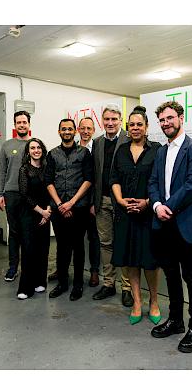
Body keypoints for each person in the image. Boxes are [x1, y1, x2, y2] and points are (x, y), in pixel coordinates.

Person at [148, 100, 192, 353]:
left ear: (181, 118)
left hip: (185, 222)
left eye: (170, 118)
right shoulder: (161, 151)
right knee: (171, 274)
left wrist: (167, 207)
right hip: (164, 223)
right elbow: (152, 182)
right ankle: (175, 321)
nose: (166, 123)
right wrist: (156, 206)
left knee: (191, 276)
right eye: (162, 120)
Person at [111, 107, 161, 324]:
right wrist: (121, 201)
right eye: (131, 124)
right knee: (131, 260)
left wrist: (147, 203)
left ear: (147, 126)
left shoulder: (157, 150)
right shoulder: (121, 150)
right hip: (126, 215)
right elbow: (113, 180)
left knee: (149, 261)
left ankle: (154, 301)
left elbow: (162, 183)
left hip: (148, 214)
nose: (135, 128)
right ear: (127, 127)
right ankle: (138, 302)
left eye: (139, 124)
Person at [48, 116, 100, 287]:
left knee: (78, 246)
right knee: (62, 246)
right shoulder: (52, 154)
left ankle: (77, 284)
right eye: (64, 129)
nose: (67, 132)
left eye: (70, 129)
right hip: (58, 207)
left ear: (74, 131)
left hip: (79, 207)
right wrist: (60, 204)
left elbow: (88, 179)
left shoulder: (84, 153)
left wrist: (71, 202)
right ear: (59, 131)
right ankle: (62, 283)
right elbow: (48, 181)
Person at [91, 104, 133, 307]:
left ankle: (127, 287)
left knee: (123, 243)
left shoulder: (129, 138)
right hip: (102, 201)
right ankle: (109, 283)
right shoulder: (97, 142)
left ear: (120, 120)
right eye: (106, 119)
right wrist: (94, 201)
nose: (110, 123)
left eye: (114, 119)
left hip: (123, 201)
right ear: (102, 120)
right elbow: (94, 174)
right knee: (105, 243)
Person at [0, 110, 31, 282]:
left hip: (30, 196)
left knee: (27, 232)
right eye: (19, 122)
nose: (22, 125)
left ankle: (27, 268)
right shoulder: (7, 146)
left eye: (24, 122)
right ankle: (12, 268)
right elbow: (1, 171)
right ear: (15, 125)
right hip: (11, 194)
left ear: (29, 124)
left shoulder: (35, 145)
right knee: (14, 232)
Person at [16, 138, 51, 300]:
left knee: (42, 249)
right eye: (32, 148)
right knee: (29, 250)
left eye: (38, 147)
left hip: (46, 212)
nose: (36, 150)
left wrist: (48, 211)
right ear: (28, 151)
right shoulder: (24, 170)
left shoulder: (47, 168)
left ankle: (40, 282)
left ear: (42, 150)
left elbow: (52, 189)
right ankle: (25, 287)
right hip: (29, 214)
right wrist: (41, 212)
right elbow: (24, 195)